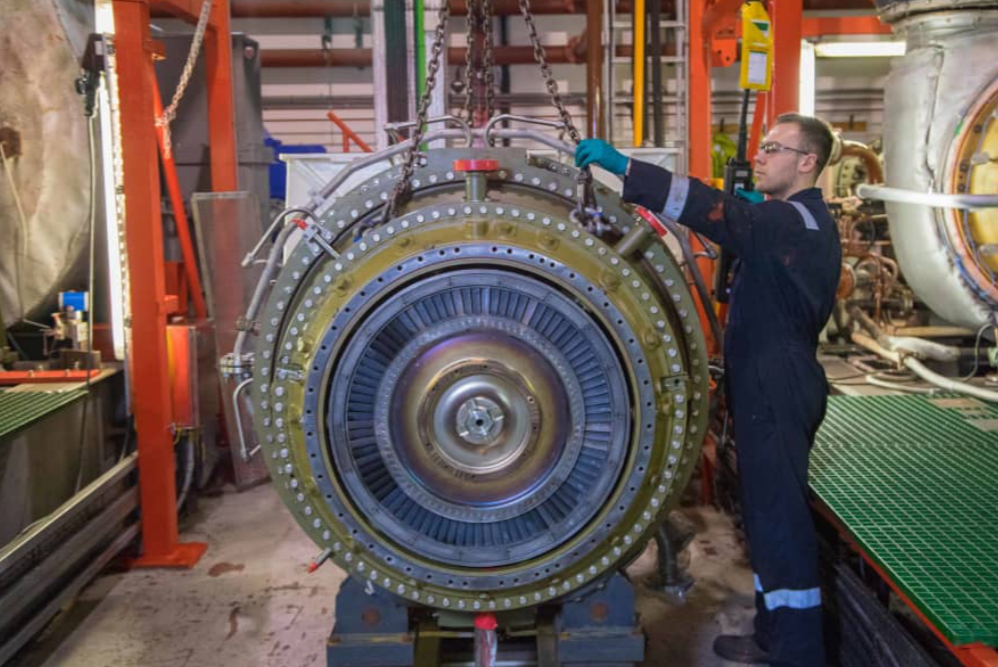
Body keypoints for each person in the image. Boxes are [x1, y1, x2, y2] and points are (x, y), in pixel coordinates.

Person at [576, 113, 841, 667]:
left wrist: (623, 167)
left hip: (778, 380)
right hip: (768, 378)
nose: (760, 155)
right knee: (767, 516)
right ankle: (775, 634)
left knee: (781, 518)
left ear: (807, 162)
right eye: (762, 145)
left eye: (774, 148)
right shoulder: (785, 220)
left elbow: (708, 208)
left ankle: (798, 651)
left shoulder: (793, 222)